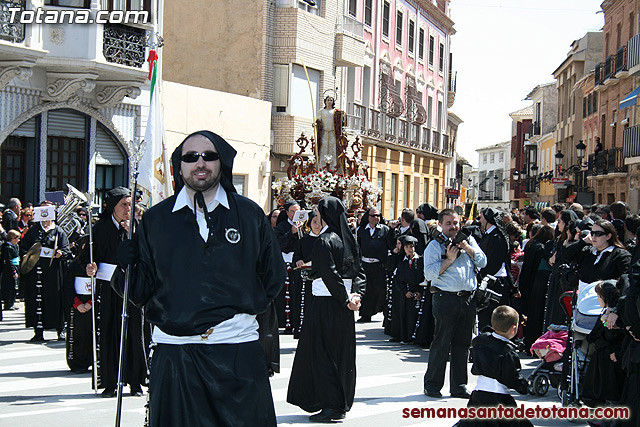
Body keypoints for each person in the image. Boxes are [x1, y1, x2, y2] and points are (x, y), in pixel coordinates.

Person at [117, 130, 285, 427]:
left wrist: (235, 305)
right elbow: (138, 292)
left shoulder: (248, 215)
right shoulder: (156, 220)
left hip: (236, 353)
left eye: (209, 156)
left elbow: (272, 277)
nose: (200, 163)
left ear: (222, 162)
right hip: (176, 357)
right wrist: (125, 265)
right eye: (191, 157)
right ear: (179, 166)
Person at [287, 196, 366, 422]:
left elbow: (330, 275)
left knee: (320, 353)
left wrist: (345, 298)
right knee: (340, 354)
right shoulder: (349, 238)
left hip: (326, 302)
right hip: (345, 304)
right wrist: (355, 296)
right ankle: (338, 402)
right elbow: (359, 272)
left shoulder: (325, 240)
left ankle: (332, 405)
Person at [83, 187, 150, 397]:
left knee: (135, 335)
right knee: (111, 334)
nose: (128, 209)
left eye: (130, 205)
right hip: (110, 289)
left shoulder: (138, 227)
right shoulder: (100, 229)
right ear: (113, 206)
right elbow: (88, 258)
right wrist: (89, 267)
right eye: (124, 205)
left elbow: (148, 255)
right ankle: (110, 382)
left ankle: (136, 381)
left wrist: (135, 235)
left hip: (132, 290)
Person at [423, 209, 487, 398]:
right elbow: (429, 274)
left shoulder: (468, 241)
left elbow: (483, 261)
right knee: (441, 343)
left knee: (463, 344)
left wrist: (468, 248)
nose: (453, 227)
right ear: (441, 225)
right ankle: (433, 386)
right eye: (449, 223)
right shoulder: (434, 246)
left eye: (456, 223)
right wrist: (449, 260)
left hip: (467, 298)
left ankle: (459, 385)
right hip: (445, 299)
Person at [456, 305, 532, 427]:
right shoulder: (507, 351)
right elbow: (511, 378)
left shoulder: (481, 340)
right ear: (514, 329)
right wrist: (524, 386)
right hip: (498, 397)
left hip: (478, 393)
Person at [20, 201, 71, 342]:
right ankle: (38, 331)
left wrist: (61, 253)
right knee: (37, 300)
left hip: (54, 272)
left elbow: (66, 250)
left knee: (56, 300)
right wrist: (25, 255)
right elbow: (24, 247)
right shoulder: (33, 231)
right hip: (36, 271)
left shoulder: (58, 230)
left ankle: (60, 329)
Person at [478, 208, 517, 331]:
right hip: (489, 280)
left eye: (481, 217)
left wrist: (481, 276)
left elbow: (494, 263)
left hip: (495, 282)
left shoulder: (497, 237)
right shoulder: (490, 235)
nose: (479, 220)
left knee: (492, 318)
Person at [357, 207, 391, 322]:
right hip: (365, 264)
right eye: (373, 216)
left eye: (378, 215)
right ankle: (366, 314)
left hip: (378, 265)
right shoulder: (361, 230)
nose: (376, 218)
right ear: (368, 217)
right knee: (366, 290)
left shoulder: (384, 230)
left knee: (380, 290)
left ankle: (385, 313)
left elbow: (390, 245)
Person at [274, 201, 302, 333]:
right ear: (287, 213)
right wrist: (291, 232)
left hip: (299, 264)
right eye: (292, 211)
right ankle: (286, 323)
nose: (295, 214)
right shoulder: (282, 226)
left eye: (298, 211)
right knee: (287, 295)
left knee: (298, 295)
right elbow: (279, 244)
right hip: (286, 264)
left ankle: (298, 323)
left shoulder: (305, 226)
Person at [316, 95, 346, 171]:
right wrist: (315, 124)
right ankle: (322, 167)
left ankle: (333, 168)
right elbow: (318, 121)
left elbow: (342, 120)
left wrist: (342, 115)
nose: (329, 102)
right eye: (328, 100)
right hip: (324, 133)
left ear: (333, 102)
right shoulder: (321, 111)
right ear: (325, 101)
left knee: (333, 150)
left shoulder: (336, 111)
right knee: (324, 149)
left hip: (333, 133)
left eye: (331, 100)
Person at [1, 230, 20, 317]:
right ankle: (8, 303)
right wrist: (13, 271)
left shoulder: (15, 246)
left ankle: (12, 302)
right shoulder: (7, 248)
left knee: (15, 287)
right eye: (17, 238)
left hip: (16, 265)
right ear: (12, 238)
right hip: (9, 269)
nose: (18, 240)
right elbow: (9, 261)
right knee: (10, 286)